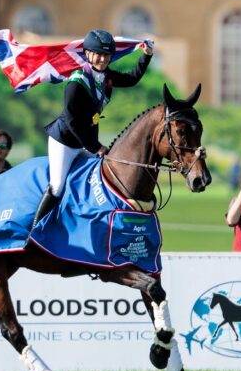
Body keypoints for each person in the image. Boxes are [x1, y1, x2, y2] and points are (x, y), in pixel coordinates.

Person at [33, 29, 154, 228]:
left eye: (106, 55)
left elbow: (132, 79)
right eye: (98, 54)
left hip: (87, 142)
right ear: (87, 54)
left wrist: (146, 56)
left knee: (100, 182)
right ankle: (35, 230)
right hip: (65, 141)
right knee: (57, 187)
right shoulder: (76, 82)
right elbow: (71, 121)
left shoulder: (107, 77)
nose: (102, 59)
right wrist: (96, 147)